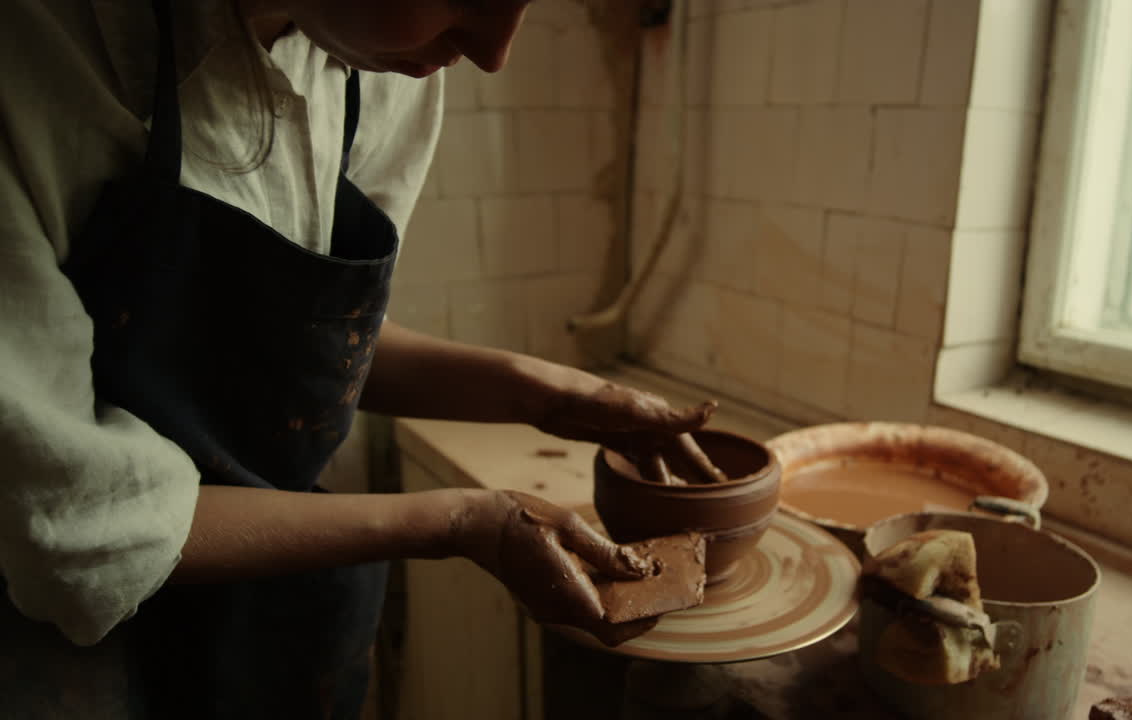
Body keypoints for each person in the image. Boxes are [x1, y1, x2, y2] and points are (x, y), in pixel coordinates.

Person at [0, 1, 716, 717]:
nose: (494, 53)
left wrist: (543, 392)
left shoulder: (388, 74)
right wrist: (462, 522)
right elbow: (72, 524)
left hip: (268, 583)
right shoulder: (41, 51)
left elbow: (300, 349)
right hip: (61, 620)